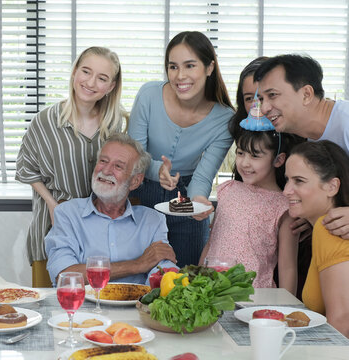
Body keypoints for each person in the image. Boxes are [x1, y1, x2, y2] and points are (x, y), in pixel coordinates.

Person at [16, 46, 127, 287]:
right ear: (74, 72)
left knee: (97, 311)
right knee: (50, 308)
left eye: (102, 78)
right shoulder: (44, 121)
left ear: (111, 86)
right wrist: (52, 205)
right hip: (53, 226)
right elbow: (26, 169)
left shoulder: (117, 124)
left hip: (100, 233)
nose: (90, 82)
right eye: (85, 71)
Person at [127, 31, 234, 267]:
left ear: (209, 68)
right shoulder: (149, 95)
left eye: (189, 66)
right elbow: (134, 155)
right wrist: (156, 171)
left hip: (186, 198)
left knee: (186, 280)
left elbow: (203, 175)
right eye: (173, 67)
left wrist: (197, 201)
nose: (180, 75)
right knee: (139, 279)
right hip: (140, 191)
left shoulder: (225, 119)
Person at [199, 57, 300, 293]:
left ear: (278, 160)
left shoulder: (284, 207)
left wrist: (286, 309)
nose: (244, 163)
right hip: (211, 291)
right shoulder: (228, 190)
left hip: (255, 294)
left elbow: (287, 268)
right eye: (241, 153)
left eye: (255, 156)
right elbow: (211, 243)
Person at [44, 133, 177, 285]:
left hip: (136, 307)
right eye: (103, 161)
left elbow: (164, 271)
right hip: (84, 307)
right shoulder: (67, 213)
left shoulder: (154, 221)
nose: (106, 170)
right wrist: (136, 265)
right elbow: (64, 275)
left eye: (118, 166)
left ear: (135, 181)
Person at [255, 54, 349, 240]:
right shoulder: (309, 141)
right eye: (261, 99)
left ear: (306, 94)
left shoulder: (346, 121)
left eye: (272, 95)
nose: (264, 108)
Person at [283, 140, 349, 337]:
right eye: (287, 180)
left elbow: (342, 322)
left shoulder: (328, 229)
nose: (286, 190)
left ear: (331, 187)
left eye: (299, 181)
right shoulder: (319, 229)